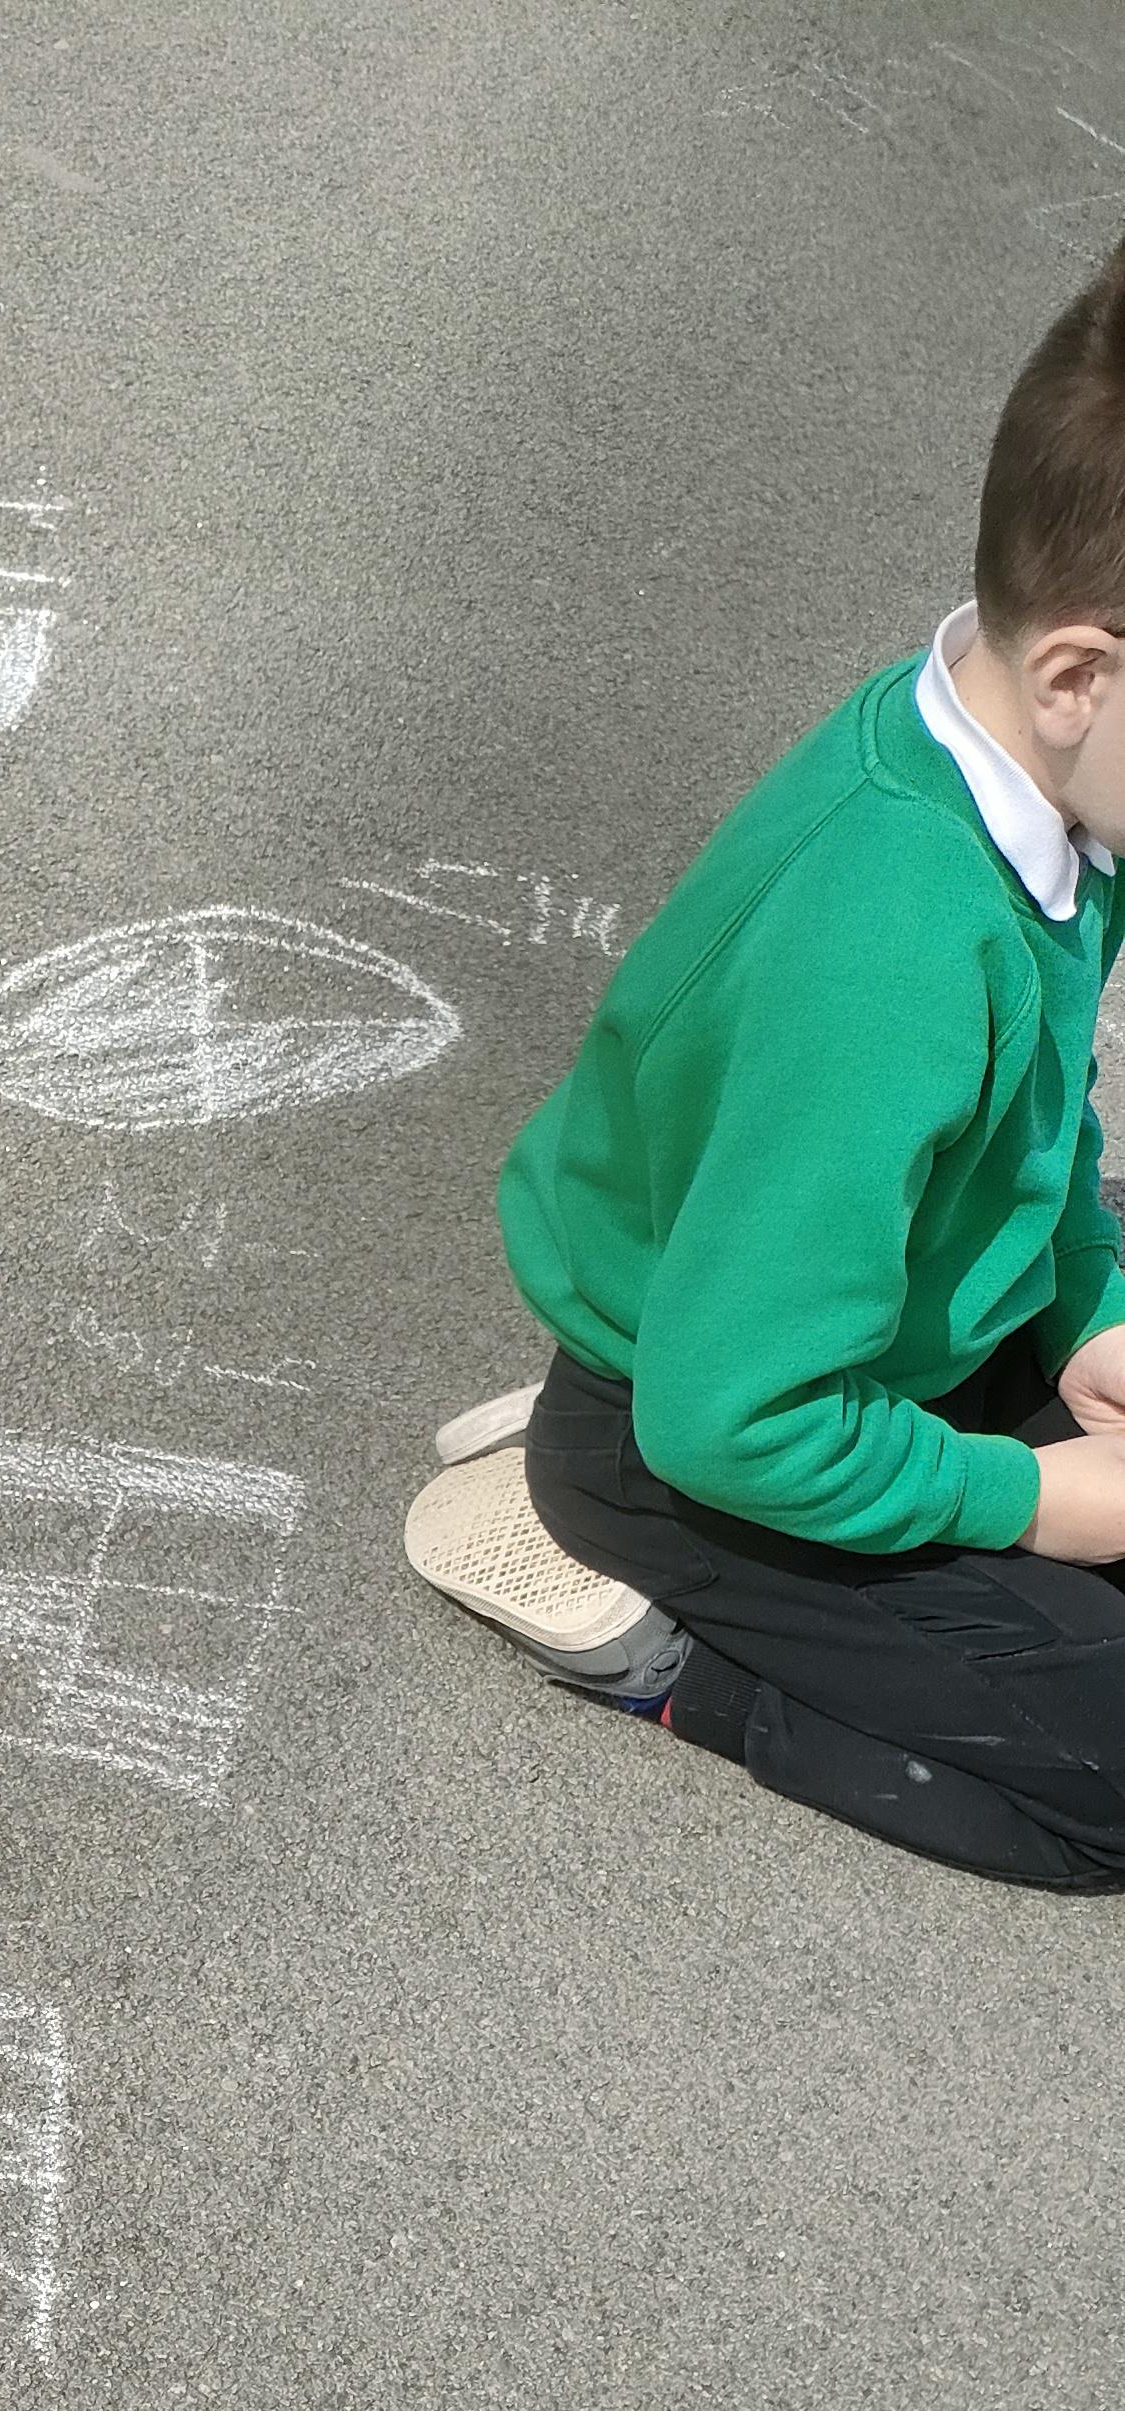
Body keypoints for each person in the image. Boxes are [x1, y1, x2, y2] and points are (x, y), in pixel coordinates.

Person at [410, 238, 1125, 1887]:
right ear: (1081, 675)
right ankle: (661, 1644)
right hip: (713, 1448)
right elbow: (737, 1427)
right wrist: (1038, 1503)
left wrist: (1090, 1304)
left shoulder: (1035, 782)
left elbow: (1039, 1115)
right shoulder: (886, 959)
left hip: (854, 1321)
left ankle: (735, 1345)